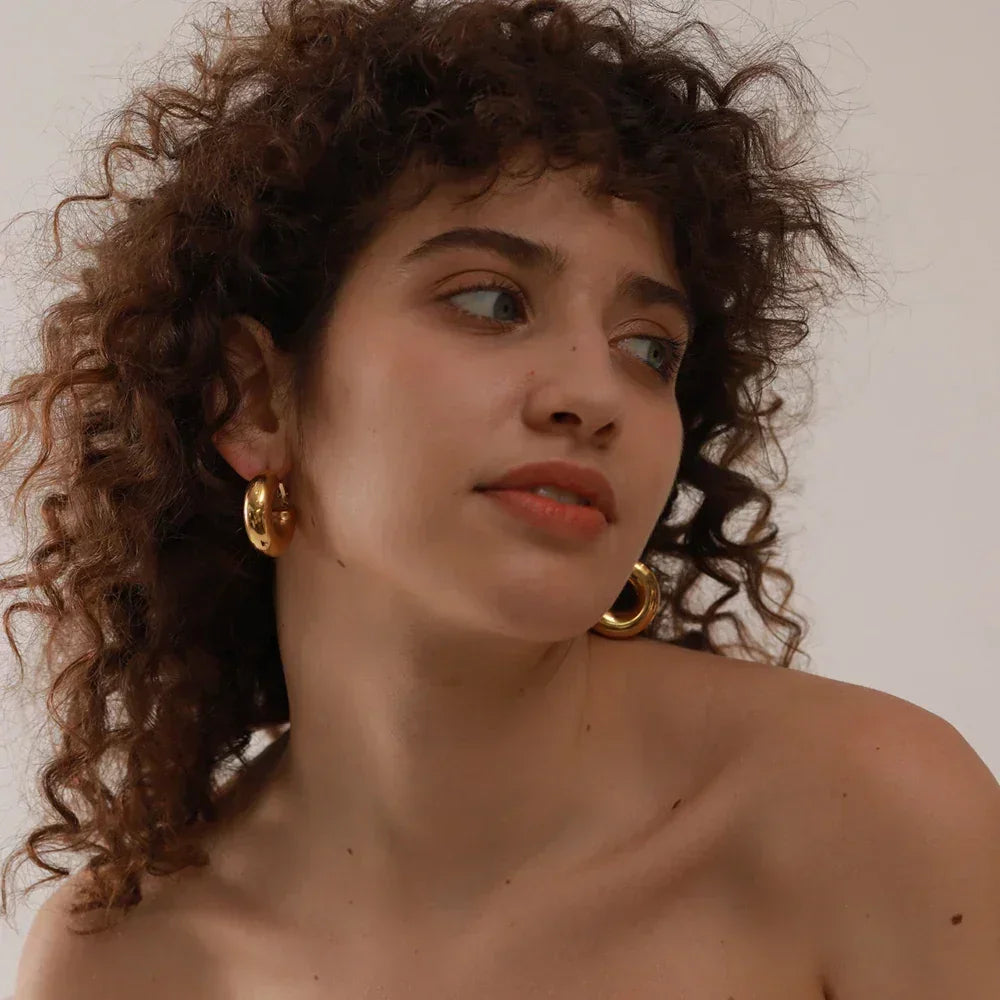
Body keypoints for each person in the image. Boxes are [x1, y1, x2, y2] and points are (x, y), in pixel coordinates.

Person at [4, 0, 999, 997]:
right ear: (255, 398)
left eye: (648, 350)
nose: (592, 392)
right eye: (490, 300)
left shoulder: (863, 816)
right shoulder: (122, 963)